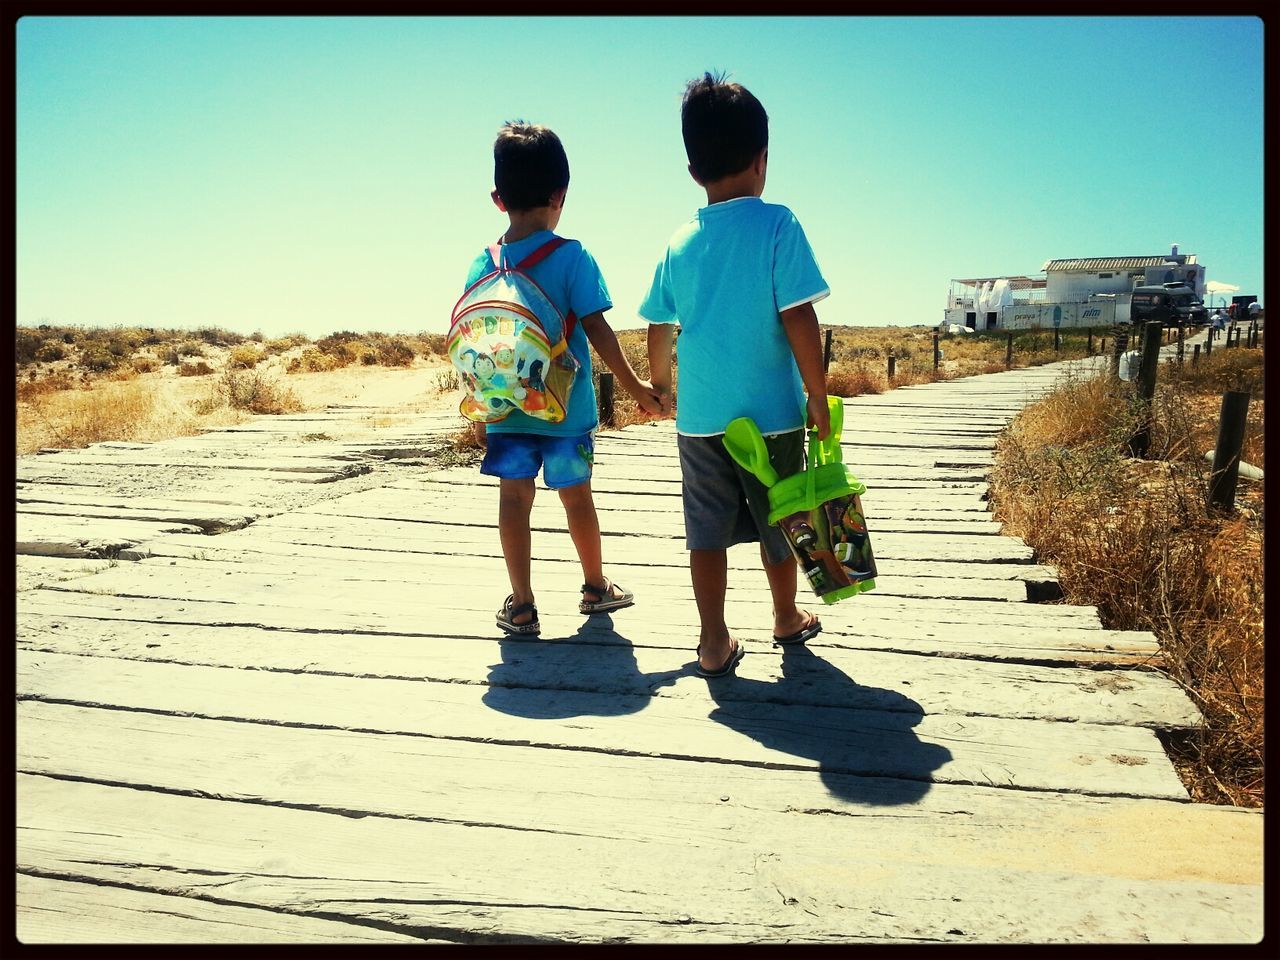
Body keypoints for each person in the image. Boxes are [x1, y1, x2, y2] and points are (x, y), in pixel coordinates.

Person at [640, 72, 830, 678]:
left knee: (706, 533)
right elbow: (798, 315)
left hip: (699, 422)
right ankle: (784, 616)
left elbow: (658, 325)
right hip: (771, 415)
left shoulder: (679, 241)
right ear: (762, 158)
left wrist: (663, 386)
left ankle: (713, 642)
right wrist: (818, 394)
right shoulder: (778, 224)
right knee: (783, 519)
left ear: (694, 170)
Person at [465, 121, 663, 635]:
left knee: (513, 500)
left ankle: (523, 604)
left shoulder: (482, 265)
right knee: (577, 498)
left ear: (497, 198)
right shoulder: (572, 256)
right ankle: (596, 588)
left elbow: (474, 343)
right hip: (565, 409)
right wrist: (637, 386)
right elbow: (598, 330)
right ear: (560, 195)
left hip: (506, 409)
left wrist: (481, 410)